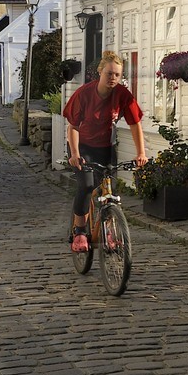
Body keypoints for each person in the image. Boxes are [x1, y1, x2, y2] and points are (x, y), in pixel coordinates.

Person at [64, 51, 147, 252]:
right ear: (99, 72)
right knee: (87, 185)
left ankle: (109, 232)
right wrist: (75, 154)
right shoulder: (84, 94)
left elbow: (135, 124)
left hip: (106, 147)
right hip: (82, 146)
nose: (113, 78)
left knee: (110, 191)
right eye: (109, 73)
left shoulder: (123, 95)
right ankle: (80, 232)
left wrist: (141, 153)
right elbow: (72, 127)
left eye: (117, 75)